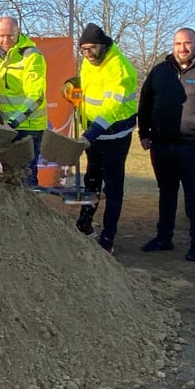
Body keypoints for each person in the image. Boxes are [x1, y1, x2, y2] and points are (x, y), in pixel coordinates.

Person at [138, 27, 195, 261]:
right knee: (166, 192)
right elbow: (146, 101)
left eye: (188, 43)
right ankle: (163, 238)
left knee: (194, 195)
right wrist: (145, 132)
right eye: (178, 44)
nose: (183, 48)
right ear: (173, 45)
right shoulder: (160, 71)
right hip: (162, 144)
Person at [71, 23, 139, 254]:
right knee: (91, 180)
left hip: (115, 135)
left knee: (113, 187)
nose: (87, 54)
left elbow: (110, 107)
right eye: (83, 50)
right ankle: (84, 224)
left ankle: (108, 237)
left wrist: (89, 134)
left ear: (103, 45)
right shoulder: (89, 63)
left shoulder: (119, 68)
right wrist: (73, 85)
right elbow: (91, 88)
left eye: (91, 49)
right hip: (95, 133)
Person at [0, 16, 49, 186]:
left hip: (29, 127)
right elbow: (12, 84)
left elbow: (35, 96)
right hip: (10, 125)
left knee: (26, 176)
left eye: (10, 35)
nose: (5, 40)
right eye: (2, 35)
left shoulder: (31, 56)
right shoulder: (0, 55)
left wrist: (13, 123)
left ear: (18, 32)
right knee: (10, 175)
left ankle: (32, 212)